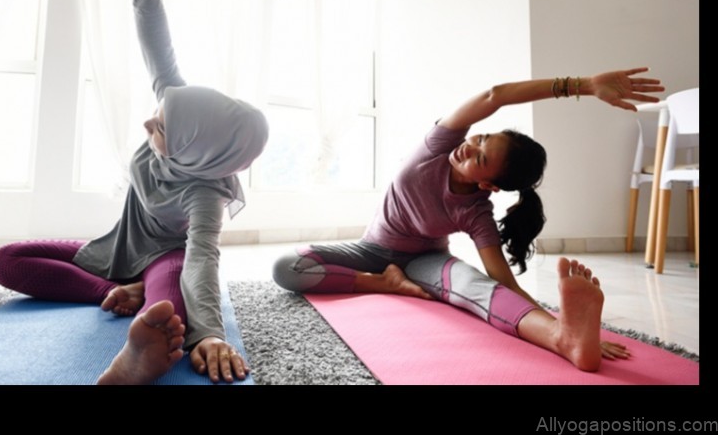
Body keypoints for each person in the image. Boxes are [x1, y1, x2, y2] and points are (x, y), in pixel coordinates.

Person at [0, 0, 269, 385]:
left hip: (167, 259)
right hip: (118, 249)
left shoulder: (205, 194)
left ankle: (135, 351)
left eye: (159, 128)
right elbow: (154, 34)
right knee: (7, 262)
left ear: (196, 151)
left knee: (165, 304)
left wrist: (208, 335)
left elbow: (202, 263)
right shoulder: (178, 105)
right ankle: (117, 290)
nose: (149, 122)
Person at [274, 69, 664, 371]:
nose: (469, 146)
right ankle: (386, 285)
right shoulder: (438, 145)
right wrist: (584, 84)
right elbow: (496, 95)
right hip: (369, 251)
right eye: (481, 138)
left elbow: (501, 281)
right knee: (288, 266)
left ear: (488, 184)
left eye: (479, 157)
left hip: (425, 261)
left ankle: (564, 340)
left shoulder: (476, 212)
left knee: (474, 287)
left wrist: (555, 320)